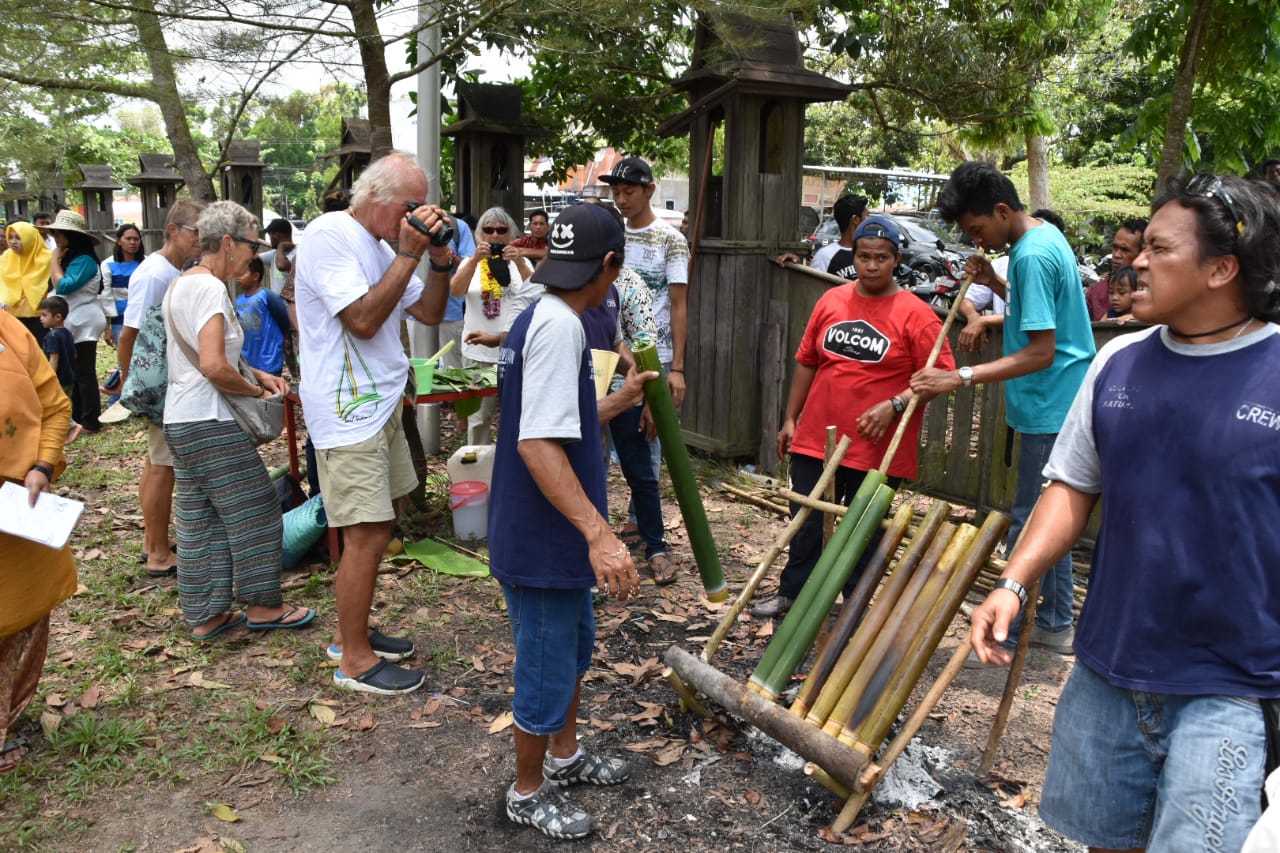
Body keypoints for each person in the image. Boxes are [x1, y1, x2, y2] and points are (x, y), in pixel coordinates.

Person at [969, 173, 1280, 852]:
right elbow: (1071, 486)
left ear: (1222, 268)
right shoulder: (1118, 363)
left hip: (1231, 687)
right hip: (1108, 668)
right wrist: (1014, 581)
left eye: (1160, 249)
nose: (1135, 260)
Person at [490, 203, 654, 840]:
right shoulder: (562, 328)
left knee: (571, 650)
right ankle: (527, 792)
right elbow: (537, 444)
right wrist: (599, 534)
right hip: (547, 533)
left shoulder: (542, 314)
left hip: (540, 525)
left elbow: (557, 413)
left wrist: (619, 399)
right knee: (544, 662)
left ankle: (565, 758)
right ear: (611, 264)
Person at [911, 162, 1095, 659]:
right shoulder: (1043, 236)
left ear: (1000, 209)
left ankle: (1025, 628)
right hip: (1059, 398)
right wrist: (995, 277)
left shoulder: (1031, 255)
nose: (978, 239)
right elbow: (1042, 310)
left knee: (1030, 518)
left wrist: (959, 376)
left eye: (977, 229)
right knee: (1042, 513)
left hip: (1052, 401)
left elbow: (1040, 351)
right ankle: (1054, 620)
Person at [294, 151, 453, 695]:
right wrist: (409, 253)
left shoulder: (382, 245)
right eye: (412, 206)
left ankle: (351, 634)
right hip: (347, 411)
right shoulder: (329, 235)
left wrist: (435, 260)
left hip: (378, 405)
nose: (418, 216)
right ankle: (354, 662)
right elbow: (362, 320)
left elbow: (430, 314)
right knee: (363, 534)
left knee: (382, 527)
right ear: (377, 197)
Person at [753, 216, 954, 617]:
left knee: (861, 531)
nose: (872, 265)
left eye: (882, 257)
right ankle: (792, 596)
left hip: (877, 447)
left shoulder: (917, 314)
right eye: (864, 256)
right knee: (805, 521)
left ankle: (853, 608)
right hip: (816, 436)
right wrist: (790, 418)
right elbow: (807, 362)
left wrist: (894, 404)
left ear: (897, 259)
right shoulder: (832, 300)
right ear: (854, 256)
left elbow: (943, 377)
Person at [162, 201, 313, 640]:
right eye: (252, 245)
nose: (256, 255)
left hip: (181, 418)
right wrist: (254, 391)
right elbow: (212, 365)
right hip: (210, 419)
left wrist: (255, 370)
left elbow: (208, 355)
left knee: (199, 519)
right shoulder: (210, 288)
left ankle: (206, 615)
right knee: (257, 509)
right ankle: (264, 605)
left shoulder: (182, 284)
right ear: (228, 243)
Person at [0, 308, 76, 773]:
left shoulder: (9, 331)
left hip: (16, 514)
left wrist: (42, 465)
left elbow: (54, 405)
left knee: (23, 616)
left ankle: (5, 721)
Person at [601, 157, 690, 549]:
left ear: (650, 190)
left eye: (629, 191)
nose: (621, 199)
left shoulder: (670, 239)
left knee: (646, 438)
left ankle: (641, 523)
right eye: (616, 192)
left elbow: (678, 303)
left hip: (656, 352)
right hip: (605, 350)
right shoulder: (607, 234)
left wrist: (678, 368)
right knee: (598, 435)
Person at [578, 208, 668, 583]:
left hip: (624, 393)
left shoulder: (626, 285)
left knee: (640, 474)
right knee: (587, 474)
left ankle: (656, 547)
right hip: (582, 397)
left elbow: (634, 343)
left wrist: (645, 393)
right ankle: (589, 555)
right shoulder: (570, 286)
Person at [118, 200, 204, 577]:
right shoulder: (156, 274)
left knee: (157, 463)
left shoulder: (172, 269)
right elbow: (130, 333)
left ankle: (154, 540)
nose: (200, 240)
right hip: (160, 386)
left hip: (166, 383)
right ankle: (157, 552)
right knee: (162, 466)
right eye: (195, 232)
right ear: (173, 230)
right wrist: (130, 385)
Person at [452, 206, 536, 445]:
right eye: (488, 230)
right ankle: (477, 466)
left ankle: (517, 463)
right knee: (478, 418)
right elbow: (456, 291)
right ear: (480, 234)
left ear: (511, 234)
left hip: (515, 350)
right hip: (477, 350)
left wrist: (519, 261)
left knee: (519, 413)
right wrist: (475, 260)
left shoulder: (521, 262)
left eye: (502, 230)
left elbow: (538, 294)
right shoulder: (470, 262)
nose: (495, 235)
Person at [45, 211, 106, 442]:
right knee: (77, 371)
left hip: (84, 321)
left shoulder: (84, 260)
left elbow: (63, 286)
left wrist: (53, 260)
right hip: (75, 320)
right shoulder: (72, 258)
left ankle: (90, 420)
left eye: (59, 234)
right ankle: (81, 417)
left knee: (84, 372)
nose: (56, 239)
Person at [235, 257, 292, 376]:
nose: (238, 277)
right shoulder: (238, 301)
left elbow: (283, 317)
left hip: (268, 359)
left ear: (255, 276)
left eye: (243, 273)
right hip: (249, 359)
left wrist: (285, 338)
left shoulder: (267, 296)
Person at [0, 221, 52, 346]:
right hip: (12, 315)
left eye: (18, 238)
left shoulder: (47, 258)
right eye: (10, 237)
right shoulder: (6, 258)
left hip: (40, 315)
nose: (13, 242)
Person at [1085, 219, 1146, 320]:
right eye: (1115, 248)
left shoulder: (1156, 293)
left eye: (1125, 250)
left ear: (1142, 253)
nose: (1116, 255)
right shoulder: (1095, 292)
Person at [101, 222, 145, 346]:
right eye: (128, 239)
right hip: (119, 321)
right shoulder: (108, 265)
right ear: (119, 241)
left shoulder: (147, 263)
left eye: (136, 239)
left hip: (144, 319)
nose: (132, 242)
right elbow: (105, 297)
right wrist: (107, 328)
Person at [38, 295, 76, 400]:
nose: (41, 318)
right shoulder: (67, 333)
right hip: (69, 378)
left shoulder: (52, 336)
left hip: (58, 380)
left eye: (44, 315)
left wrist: (49, 379)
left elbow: (54, 359)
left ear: (57, 317)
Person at [260, 219, 294, 295]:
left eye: (270, 236)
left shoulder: (296, 254)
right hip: (277, 305)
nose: (270, 240)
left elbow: (281, 265)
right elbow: (253, 258)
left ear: (276, 236)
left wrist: (281, 246)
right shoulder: (274, 254)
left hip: (290, 305)